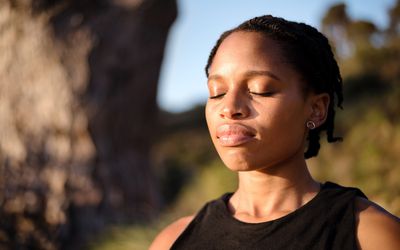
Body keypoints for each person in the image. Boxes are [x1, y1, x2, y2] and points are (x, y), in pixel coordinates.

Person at [150, 15, 400, 250]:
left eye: (261, 89)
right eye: (217, 92)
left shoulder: (369, 234)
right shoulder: (172, 241)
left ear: (316, 109)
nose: (229, 108)